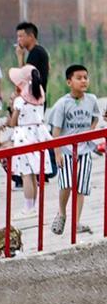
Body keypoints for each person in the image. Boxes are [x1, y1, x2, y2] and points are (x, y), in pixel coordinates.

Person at [49, 64, 99, 235]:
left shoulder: (91, 99)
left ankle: (76, 222)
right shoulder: (62, 104)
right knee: (67, 184)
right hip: (66, 151)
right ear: (69, 82)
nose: (83, 81)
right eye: (79, 78)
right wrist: (57, 153)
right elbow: (55, 130)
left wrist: (90, 132)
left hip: (84, 151)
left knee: (81, 187)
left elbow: (95, 117)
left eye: (86, 77)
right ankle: (62, 212)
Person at [6, 64, 49, 213]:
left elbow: (13, 123)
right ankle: (34, 206)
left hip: (23, 136)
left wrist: (11, 111)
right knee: (34, 174)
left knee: (26, 174)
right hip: (38, 134)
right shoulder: (39, 96)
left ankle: (28, 208)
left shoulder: (20, 101)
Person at [14, 21, 50, 96]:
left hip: (35, 99)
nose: (18, 40)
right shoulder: (38, 51)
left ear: (31, 36)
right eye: (17, 37)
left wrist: (20, 56)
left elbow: (24, 77)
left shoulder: (36, 52)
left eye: (21, 36)